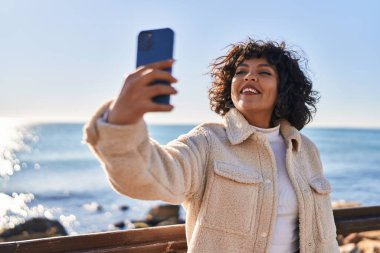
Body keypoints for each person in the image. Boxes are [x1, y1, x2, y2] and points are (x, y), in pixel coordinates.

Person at [83, 39, 340, 253]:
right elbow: (149, 177)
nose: (249, 76)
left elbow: (324, 235)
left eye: (264, 72)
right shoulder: (207, 141)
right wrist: (122, 121)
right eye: (240, 71)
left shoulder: (305, 150)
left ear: (284, 89)